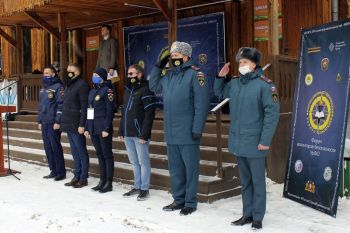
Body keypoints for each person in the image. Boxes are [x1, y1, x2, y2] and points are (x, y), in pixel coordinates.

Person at [214, 47, 280, 230]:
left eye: (244, 62)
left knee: (258, 182)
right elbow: (220, 93)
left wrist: (265, 141)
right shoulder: (235, 83)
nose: (240, 65)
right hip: (239, 141)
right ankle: (247, 214)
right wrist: (220, 77)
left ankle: (258, 217)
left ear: (253, 64)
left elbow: (272, 115)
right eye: (239, 62)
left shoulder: (266, 85)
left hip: (256, 143)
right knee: (245, 183)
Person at [149, 41, 210, 215]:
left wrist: (198, 128)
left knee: (190, 169)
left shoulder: (196, 75)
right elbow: (153, 85)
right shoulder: (168, 76)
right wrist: (157, 65)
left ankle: (190, 202)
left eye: (176, 55)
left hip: (188, 131)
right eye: (172, 56)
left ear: (186, 57)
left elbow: (202, 104)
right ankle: (178, 199)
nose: (173, 58)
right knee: (175, 170)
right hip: (171, 131)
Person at [118, 64, 155, 201]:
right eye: (128, 74)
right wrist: (121, 130)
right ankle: (137, 186)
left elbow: (149, 113)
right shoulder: (128, 90)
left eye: (132, 74)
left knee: (143, 162)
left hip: (140, 135)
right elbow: (124, 112)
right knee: (134, 162)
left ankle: (144, 188)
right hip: (128, 133)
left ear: (139, 75)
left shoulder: (146, 89)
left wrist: (144, 134)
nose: (129, 76)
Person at [84, 68, 115, 193]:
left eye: (96, 75)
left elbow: (110, 111)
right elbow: (89, 111)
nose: (94, 76)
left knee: (107, 155)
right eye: (93, 74)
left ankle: (109, 182)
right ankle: (102, 180)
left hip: (103, 128)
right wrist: (87, 127)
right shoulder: (92, 92)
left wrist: (107, 128)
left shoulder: (107, 91)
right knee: (99, 154)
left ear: (102, 77)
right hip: (94, 128)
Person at [60, 64, 90, 188]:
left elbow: (84, 107)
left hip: (77, 124)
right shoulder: (68, 85)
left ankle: (83, 178)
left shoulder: (82, 85)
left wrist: (82, 124)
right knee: (74, 152)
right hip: (68, 123)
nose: (67, 73)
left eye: (70, 71)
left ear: (77, 72)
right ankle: (76, 175)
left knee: (81, 151)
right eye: (67, 71)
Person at [38, 66, 66, 181]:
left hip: (53, 122)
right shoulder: (43, 88)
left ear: (54, 74)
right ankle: (53, 170)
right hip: (44, 122)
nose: (45, 75)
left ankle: (60, 172)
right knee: (48, 148)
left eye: (47, 73)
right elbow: (40, 107)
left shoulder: (58, 87)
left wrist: (58, 121)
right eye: (44, 73)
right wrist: (39, 121)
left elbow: (61, 105)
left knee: (55, 147)